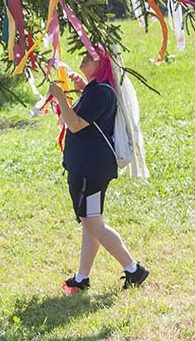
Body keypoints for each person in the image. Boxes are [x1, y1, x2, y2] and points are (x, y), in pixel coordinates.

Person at [49, 48, 149, 293]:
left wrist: (60, 96)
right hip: (91, 167)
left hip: (89, 169)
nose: (84, 57)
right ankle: (82, 278)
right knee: (90, 221)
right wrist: (83, 87)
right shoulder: (98, 90)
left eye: (91, 56)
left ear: (103, 64)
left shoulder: (101, 93)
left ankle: (133, 269)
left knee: (92, 222)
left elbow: (74, 124)